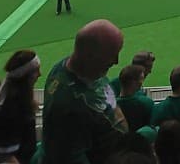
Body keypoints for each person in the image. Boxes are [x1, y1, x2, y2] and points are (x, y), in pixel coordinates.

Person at [41, 20, 127, 164]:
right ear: (91, 56)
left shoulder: (89, 70)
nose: (116, 61)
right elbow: (69, 157)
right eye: (112, 55)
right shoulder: (67, 105)